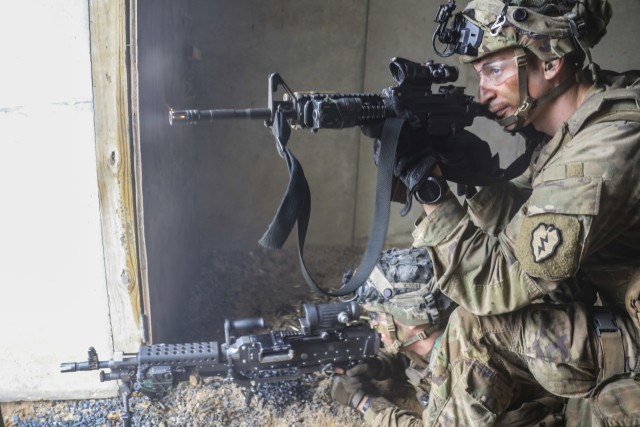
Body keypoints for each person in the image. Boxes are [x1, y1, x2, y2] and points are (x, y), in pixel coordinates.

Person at [390, 0, 640, 425]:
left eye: (494, 70)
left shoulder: (604, 149)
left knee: (478, 326)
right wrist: (476, 178)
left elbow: (496, 282)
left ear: (551, 61)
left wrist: (432, 192)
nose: (483, 92)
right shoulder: (587, 118)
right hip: (622, 305)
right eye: (478, 74)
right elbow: (529, 220)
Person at [330, 248, 566, 426]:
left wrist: (365, 403)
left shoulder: (467, 359)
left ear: (411, 321)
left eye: (378, 316)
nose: (373, 324)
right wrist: (377, 367)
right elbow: (420, 357)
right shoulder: (438, 332)